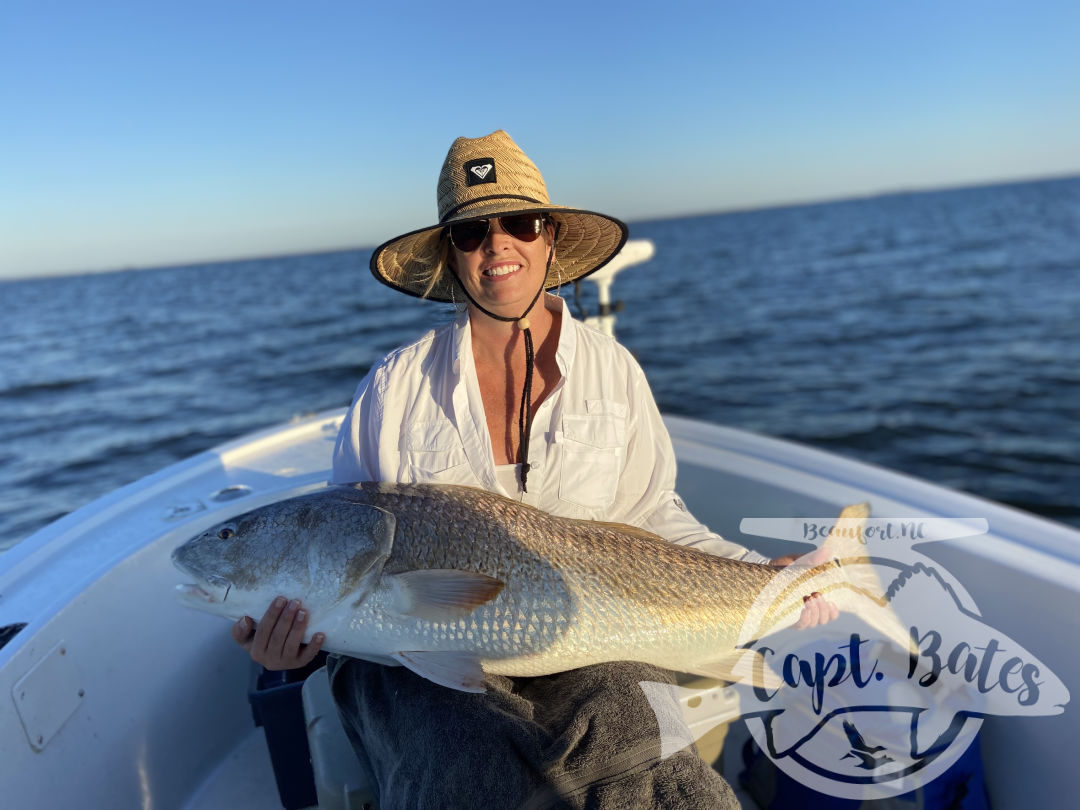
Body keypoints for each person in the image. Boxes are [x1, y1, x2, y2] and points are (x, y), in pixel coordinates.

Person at [232, 130, 834, 809]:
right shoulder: (391, 388)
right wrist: (297, 649)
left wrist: (763, 577)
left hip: (595, 634)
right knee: (464, 762)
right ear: (450, 254)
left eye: (519, 222)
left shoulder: (613, 371)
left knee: (648, 760)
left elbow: (652, 520)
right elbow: (345, 556)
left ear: (550, 237)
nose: (498, 246)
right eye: (470, 232)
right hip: (413, 657)